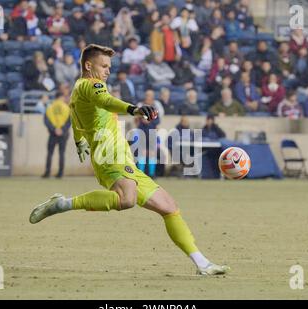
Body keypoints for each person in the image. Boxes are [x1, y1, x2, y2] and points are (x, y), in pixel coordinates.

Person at [30, 43, 229, 276]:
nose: (107, 71)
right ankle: (63, 203)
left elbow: (75, 113)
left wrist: (79, 139)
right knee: (127, 200)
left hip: (122, 157)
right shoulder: (90, 84)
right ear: (88, 65)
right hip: (109, 155)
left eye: (109, 67)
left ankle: (202, 264)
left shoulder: (79, 89)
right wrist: (134, 109)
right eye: (103, 66)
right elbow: (105, 102)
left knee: (169, 208)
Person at [42, 92, 71, 179]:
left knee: (50, 153)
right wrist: (62, 129)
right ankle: (60, 173)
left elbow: (46, 121)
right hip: (63, 134)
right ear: (61, 97)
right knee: (61, 153)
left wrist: (54, 129)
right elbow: (70, 121)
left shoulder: (50, 107)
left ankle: (47, 173)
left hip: (52, 134)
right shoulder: (67, 108)